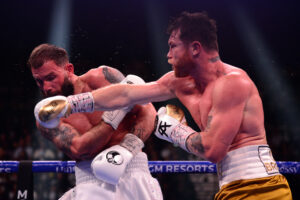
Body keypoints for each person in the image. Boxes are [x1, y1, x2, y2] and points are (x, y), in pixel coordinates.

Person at [34, 11, 293, 199]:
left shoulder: (232, 84)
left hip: (260, 188)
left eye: (172, 46)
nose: (167, 54)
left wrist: (172, 130)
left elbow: (213, 149)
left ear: (194, 48)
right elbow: (126, 94)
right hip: (230, 188)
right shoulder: (178, 82)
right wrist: (71, 105)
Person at [28, 44, 163, 200]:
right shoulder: (47, 117)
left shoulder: (102, 77)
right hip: (90, 180)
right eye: (39, 81)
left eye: (51, 78)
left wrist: (127, 149)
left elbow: (148, 112)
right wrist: (116, 114)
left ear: (69, 69)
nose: (46, 88)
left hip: (134, 169)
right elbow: (79, 149)